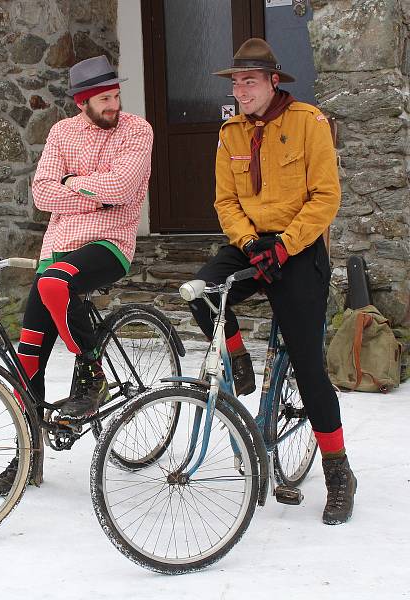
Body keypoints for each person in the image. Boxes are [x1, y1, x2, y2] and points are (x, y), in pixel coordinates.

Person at [188, 38, 356, 524]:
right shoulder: (229, 134)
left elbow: (326, 197)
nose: (241, 89)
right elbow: (225, 202)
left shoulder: (309, 123)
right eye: (236, 81)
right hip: (251, 245)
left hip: (298, 250)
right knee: (200, 293)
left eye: (250, 81)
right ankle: (238, 356)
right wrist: (249, 243)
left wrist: (284, 245)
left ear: (272, 82)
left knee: (308, 366)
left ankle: (338, 471)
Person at [0, 55, 154, 496]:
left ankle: (92, 369)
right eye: (104, 99)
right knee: (27, 359)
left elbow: (121, 190)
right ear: (83, 102)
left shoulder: (138, 131)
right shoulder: (62, 133)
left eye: (116, 96)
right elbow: (41, 193)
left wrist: (73, 184)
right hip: (56, 250)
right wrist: (92, 190)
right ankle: (26, 455)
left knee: (56, 282)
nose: (114, 105)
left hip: (109, 245)